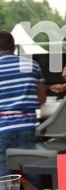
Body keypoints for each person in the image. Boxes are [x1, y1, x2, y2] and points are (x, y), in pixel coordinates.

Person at [0, 30, 46, 177]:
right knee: (33, 174)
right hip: (28, 127)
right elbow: (42, 99)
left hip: (2, 129)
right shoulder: (32, 65)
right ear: (14, 47)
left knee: (4, 180)